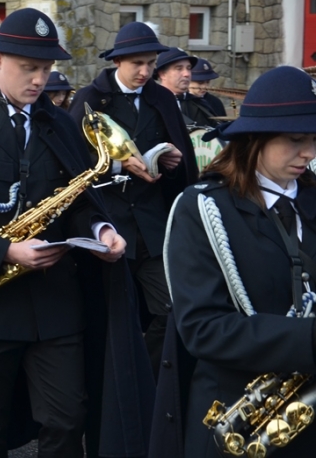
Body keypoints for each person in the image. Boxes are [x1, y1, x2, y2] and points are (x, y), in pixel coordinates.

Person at [0, 8, 142, 458]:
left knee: (67, 421)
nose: (40, 80)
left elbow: (77, 201)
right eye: (28, 68)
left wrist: (101, 229)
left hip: (53, 306)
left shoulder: (58, 122)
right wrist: (5, 250)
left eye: (46, 68)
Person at [158, 66, 316, 457]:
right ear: (254, 138)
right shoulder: (203, 207)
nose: (309, 153)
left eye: (314, 139)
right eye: (296, 139)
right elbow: (203, 328)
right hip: (238, 424)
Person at [70, 22, 198, 381]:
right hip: (108, 226)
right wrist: (118, 163)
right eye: (137, 63)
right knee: (111, 316)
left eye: (151, 63)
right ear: (117, 62)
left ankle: (147, 380)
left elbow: (182, 163)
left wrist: (173, 162)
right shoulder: (90, 99)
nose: (145, 71)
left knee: (172, 308)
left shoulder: (162, 99)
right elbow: (72, 162)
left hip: (154, 228)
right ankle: (115, 387)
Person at [155, 47, 219, 129]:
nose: (187, 74)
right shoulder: (151, 104)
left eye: (188, 68)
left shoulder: (200, 104)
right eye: (179, 68)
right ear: (163, 74)